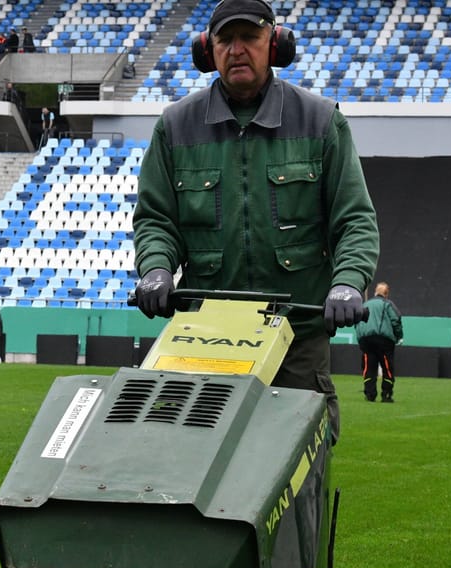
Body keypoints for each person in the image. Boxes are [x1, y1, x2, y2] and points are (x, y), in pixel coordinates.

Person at [132, 0, 379, 443]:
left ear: (275, 44)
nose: (237, 49)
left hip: (296, 340)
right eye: (226, 40)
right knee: (191, 464)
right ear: (208, 51)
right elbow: (156, 219)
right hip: (204, 339)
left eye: (249, 37)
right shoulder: (174, 127)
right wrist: (155, 269)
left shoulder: (321, 121)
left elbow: (354, 219)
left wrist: (348, 281)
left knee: (294, 469)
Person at [355, 282, 403, 403]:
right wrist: (399, 337)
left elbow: (357, 322)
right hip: (383, 340)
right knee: (387, 367)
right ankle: (386, 395)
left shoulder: (365, 304)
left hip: (366, 340)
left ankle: (370, 394)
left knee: (369, 367)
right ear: (386, 294)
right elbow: (396, 320)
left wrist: (361, 338)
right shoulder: (387, 304)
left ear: (375, 292)